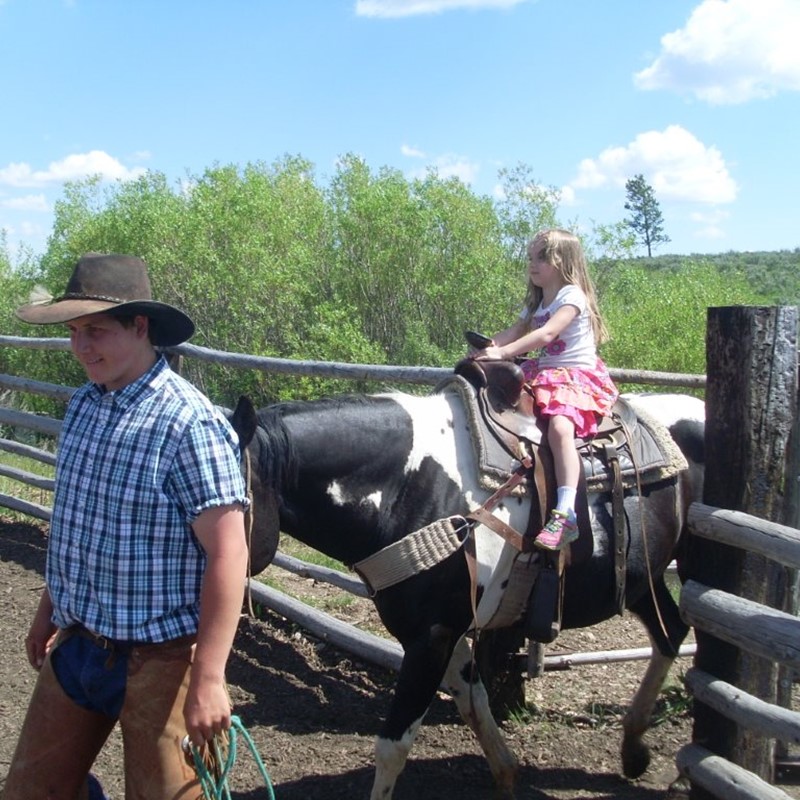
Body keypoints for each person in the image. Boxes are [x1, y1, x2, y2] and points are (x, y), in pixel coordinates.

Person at [4, 253, 250, 799]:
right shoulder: (85, 407)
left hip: (161, 654)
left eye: (95, 330)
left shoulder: (189, 422)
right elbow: (80, 523)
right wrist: (50, 606)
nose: (81, 347)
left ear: (140, 327)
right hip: (80, 642)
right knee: (29, 791)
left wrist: (210, 676)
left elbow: (228, 552)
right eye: (74, 332)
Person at [473, 229, 618, 551]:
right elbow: (515, 331)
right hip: (544, 372)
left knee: (560, 427)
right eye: (530, 257)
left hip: (574, 375)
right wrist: (488, 347)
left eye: (541, 257)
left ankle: (566, 513)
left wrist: (504, 354)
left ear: (562, 261)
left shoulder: (571, 296)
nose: (532, 264)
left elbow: (547, 335)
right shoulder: (537, 301)